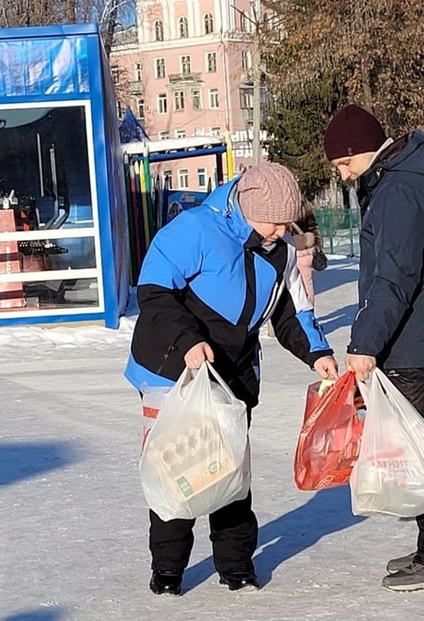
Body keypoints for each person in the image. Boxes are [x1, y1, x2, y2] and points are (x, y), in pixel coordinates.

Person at [125, 162, 339, 596]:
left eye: (286, 222)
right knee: (179, 469)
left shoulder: (279, 250)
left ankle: (236, 565)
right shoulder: (195, 229)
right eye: (274, 222)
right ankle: (168, 569)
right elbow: (154, 292)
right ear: (248, 207)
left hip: (235, 375)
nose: (281, 231)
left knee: (230, 474)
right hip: (172, 371)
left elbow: (290, 311)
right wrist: (187, 341)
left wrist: (317, 353)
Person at [323, 104, 424, 592]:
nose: (343, 176)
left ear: (363, 151)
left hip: (412, 342)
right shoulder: (406, 181)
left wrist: (365, 342)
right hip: (419, 338)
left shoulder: (399, 191)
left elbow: (393, 277)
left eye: (344, 165)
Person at [289, 202, 323, 305]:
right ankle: (309, 312)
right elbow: (313, 227)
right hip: (306, 253)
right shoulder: (304, 205)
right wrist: (315, 245)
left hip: (292, 251)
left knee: (291, 288)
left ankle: (301, 314)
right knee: (307, 287)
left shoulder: (283, 205)